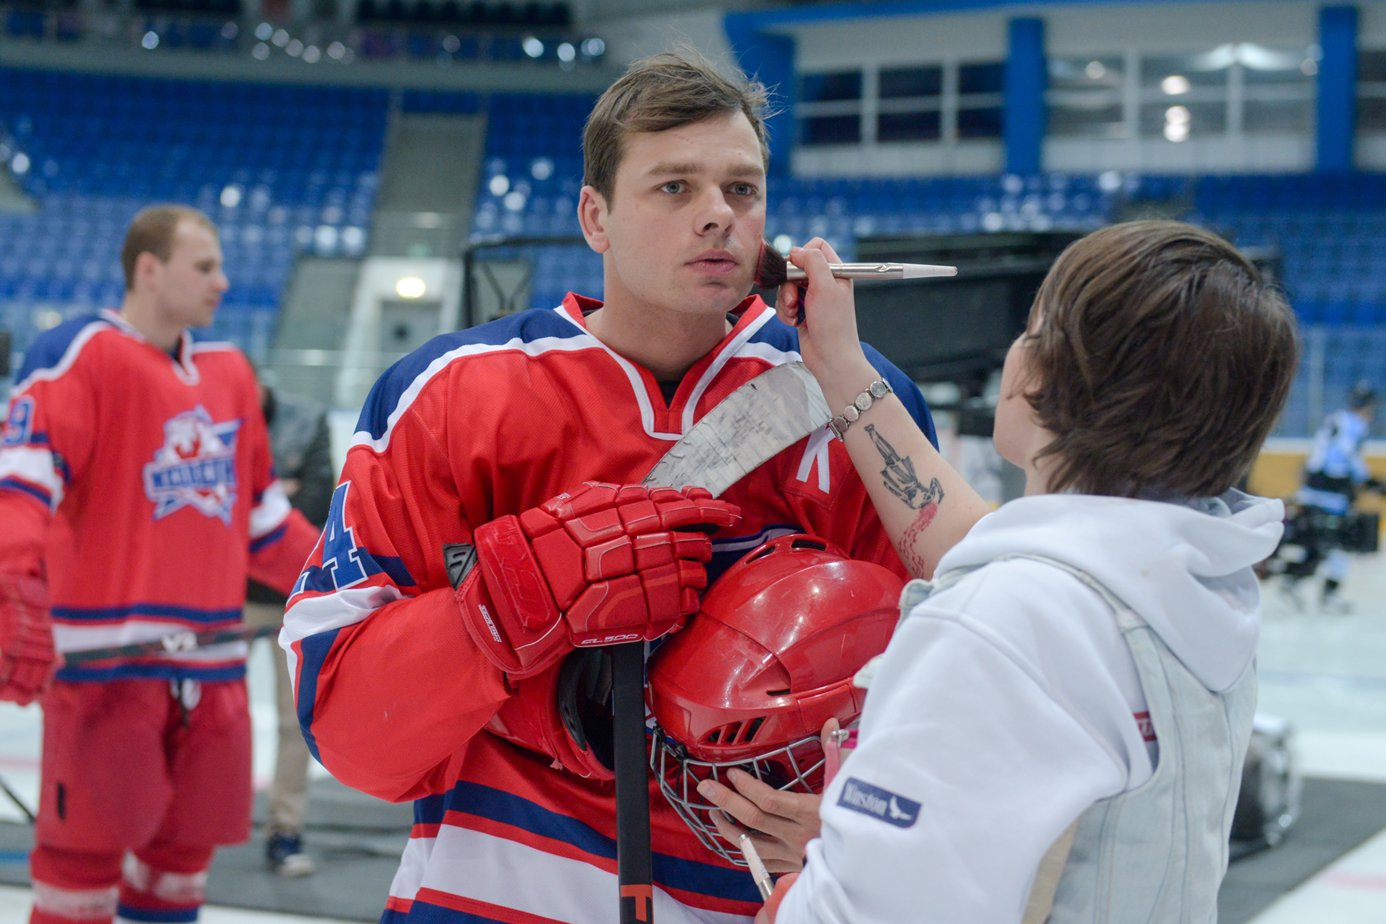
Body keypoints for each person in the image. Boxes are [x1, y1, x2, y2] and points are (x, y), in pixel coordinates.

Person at [279, 49, 981, 923]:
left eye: (743, 190)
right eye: (675, 188)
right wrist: (490, 616)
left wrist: (861, 821)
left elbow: (950, 675)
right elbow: (349, 736)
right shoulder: (450, 393)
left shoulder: (856, 397)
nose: (719, 216)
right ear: (594, 215)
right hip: (494, 890)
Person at [742, 220, 1299, 922]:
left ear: (1038, 375)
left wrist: (829, 877)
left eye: (1033, 328)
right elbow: (995, 557)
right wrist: (840, 362)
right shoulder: (1188, 582)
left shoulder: (1003, 623)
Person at [0, 205, 321, 924]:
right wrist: (5, 582)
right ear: (149, 269)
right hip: (104, 675)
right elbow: (19, 490)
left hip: (212, 674)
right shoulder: (81, 353)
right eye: (204, 267)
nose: (222, 282)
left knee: (180, 876)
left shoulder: (232, 374)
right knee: (77, 879)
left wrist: (355, 578)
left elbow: (264, 524)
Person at [243, 372, 336, 875]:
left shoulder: (306, 418)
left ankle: (285, 829)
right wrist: (277, 490)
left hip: (290, 594)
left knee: (292, 720)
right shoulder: (215, 420)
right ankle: (190, 821)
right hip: (226, 591)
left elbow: (323, 500)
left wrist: (258, 498)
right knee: (202, 709)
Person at [1285, 379, 1380, 613]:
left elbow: (1318, 457)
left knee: (1317, 543)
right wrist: (1369, 481)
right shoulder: (1356, 425)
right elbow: (1346, 457)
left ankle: (1293, 581)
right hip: (1332, 495)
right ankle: (1328, 594)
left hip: (1312, 492)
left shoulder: (1335, 418)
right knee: (1342, 544)